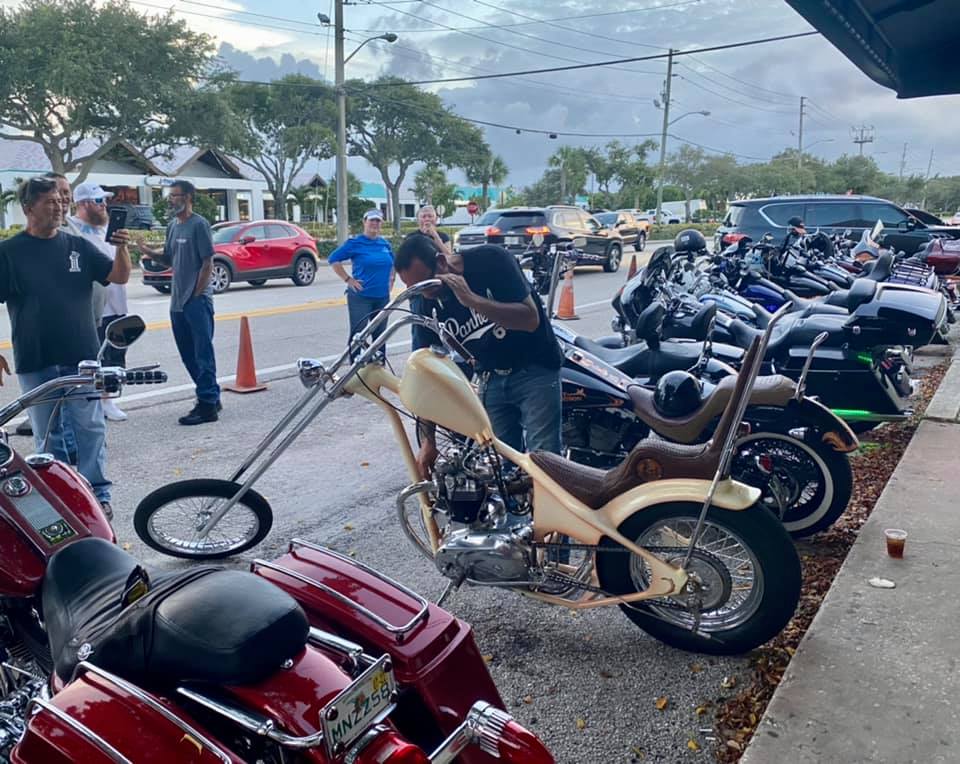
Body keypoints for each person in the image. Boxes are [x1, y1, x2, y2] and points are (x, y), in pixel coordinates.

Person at [0, 176, 132, 518]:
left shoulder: (77, 246)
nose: (59, 207)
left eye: (61, 201)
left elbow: (118, 277)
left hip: (82, 355)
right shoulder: (9, 253)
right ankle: (58, 494)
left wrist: (121, 246)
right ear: (29, 208)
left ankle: (97, 493)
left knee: (90, 427)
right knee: (48, 434)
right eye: (50, 202)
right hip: (36, 357)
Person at [394, 237, 563, 477]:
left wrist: (471, 300)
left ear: (441, 263)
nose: (427, 295)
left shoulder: (491, 260)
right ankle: (516, 514)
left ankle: (552, 512)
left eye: (428, 285)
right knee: (504, 469)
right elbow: (426, 369)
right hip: (490, 377)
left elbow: (530, 318)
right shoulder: (426, 302)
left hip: (534, 369)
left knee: (544, 465)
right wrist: (427, 441)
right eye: (417, 290)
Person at [133, 180, 220, 425]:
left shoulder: (199, 225)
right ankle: (211, 397)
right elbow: (169, 259)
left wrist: (196, 293)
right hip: (177, 303)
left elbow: (207, 263)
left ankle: (207, 407)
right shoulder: (173, 226)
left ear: (188, 197)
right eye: (170, 196)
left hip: (196, 301)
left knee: (203, 354)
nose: (171, 199)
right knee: (188, 355)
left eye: (175, 195)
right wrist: (146, 250)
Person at [68, 182, 129, 422]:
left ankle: (108, 399)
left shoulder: (107, 229)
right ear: (82, 204)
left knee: (116, 354)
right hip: (92, 308)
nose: (105, 205)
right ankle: (98, 401)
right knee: (95, 357)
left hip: (118, 303)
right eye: (98, 201)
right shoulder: (73, 229)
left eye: (105, 200)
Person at [328, 209, 395, 360]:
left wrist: (392, 277)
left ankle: (379, 368)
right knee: (359, 335)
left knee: (380, 336)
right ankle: (355, 372)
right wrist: (348, 279)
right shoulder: (355, 243)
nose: (375, 224)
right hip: (361, 297)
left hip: (382, 297)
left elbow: (392, 262)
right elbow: (333, 259)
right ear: (364, 222)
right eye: (372, 220)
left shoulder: (385, 244)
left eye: (378, 221)